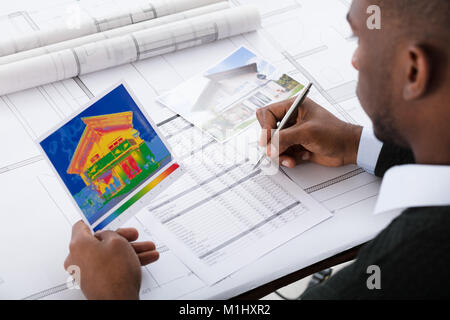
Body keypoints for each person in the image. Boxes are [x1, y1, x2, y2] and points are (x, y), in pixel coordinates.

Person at [65, 0, 450, 299]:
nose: (354, 58)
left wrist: (113, 294)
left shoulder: (408, 262)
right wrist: (356, 143)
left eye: (360, 39)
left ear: (414, 71)